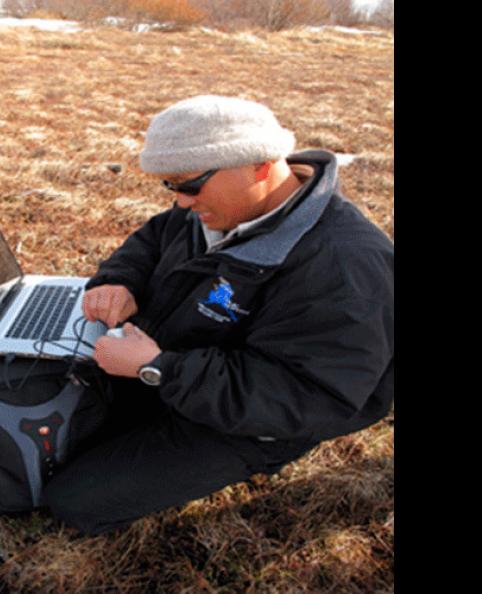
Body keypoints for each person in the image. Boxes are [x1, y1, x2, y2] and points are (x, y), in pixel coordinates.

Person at [42, 95, 394, 535]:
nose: (183, 202)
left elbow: (302, 397)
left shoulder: (343, 269)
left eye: (188, 185)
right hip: (174, 363)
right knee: (47, 428)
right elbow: (154, 238)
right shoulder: (224, 203)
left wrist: (158, 370)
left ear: (260, 165)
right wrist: (119, 280)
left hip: (248, 423)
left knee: (73, 499)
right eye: (170, 187)